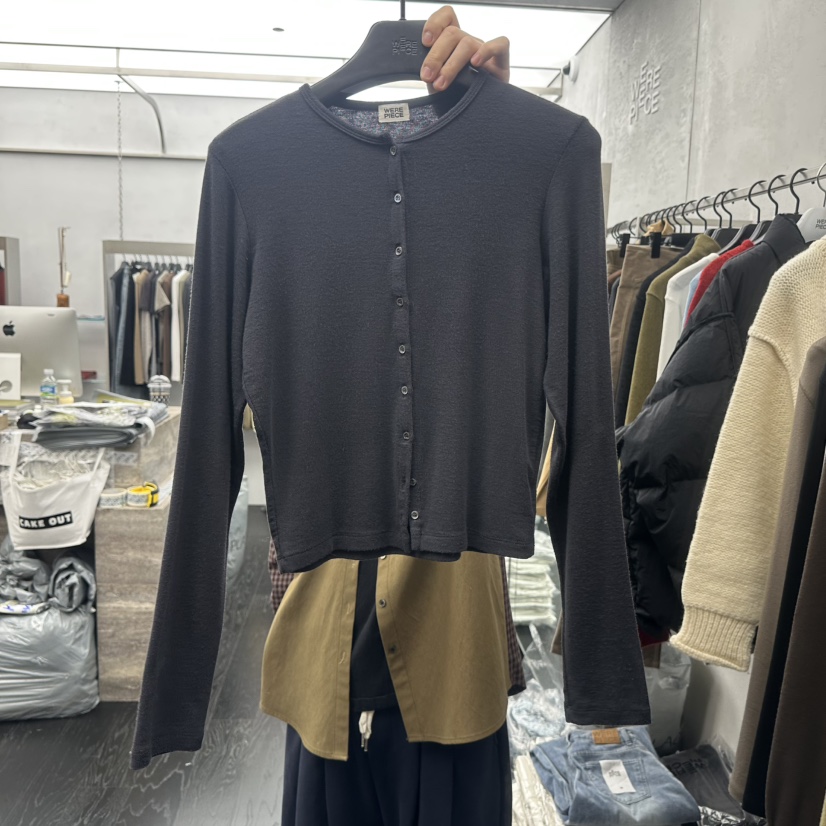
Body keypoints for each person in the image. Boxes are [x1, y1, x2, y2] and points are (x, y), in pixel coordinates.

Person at [267, 9, 519, 826]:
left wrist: (493, 143)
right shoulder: (288, 190)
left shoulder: (486, 194)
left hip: (454, 654)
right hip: (326, 654)